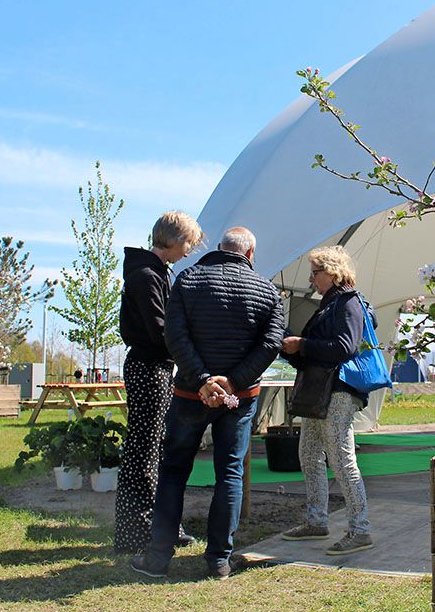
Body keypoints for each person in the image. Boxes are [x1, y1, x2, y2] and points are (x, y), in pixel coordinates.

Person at [130, 227, 284, 580]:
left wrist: (202, 380)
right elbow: (271, 343)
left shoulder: (188, 279)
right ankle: (218, 560)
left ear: (217, 249)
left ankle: (158, 558)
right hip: (239, 399)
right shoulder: (267, 290)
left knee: (173, 473)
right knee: (230, 473)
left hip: (189, 394)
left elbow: (174, 334)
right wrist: (232, 382)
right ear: (250, 254)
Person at [114, 211, 203, 554]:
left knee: (151, 448)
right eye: (189, 244)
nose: (189, 252)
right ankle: (139, 531)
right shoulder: (147, 274)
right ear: (177, 240)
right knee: (144, 450)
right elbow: (160, 329)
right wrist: (190, 355)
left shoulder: (152, 272)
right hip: (149, 368)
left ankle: (155, 526)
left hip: (154, 367)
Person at [279, 245, 374, 556]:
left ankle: (360, 529)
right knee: (308, 455)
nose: (311, 279)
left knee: (342, 459)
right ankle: (317, 520)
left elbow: (343, 348)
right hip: (320, 391)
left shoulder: (349, 303)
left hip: (339, 391)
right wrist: (291, 347)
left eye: (315, 272)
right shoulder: (330, 305)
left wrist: (302, 344)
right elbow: (317, 352)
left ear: (333, 272)